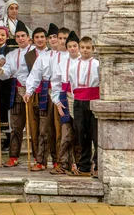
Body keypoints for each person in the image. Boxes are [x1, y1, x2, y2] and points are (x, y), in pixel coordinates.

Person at [24, 24, 61, 171]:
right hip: (46, 92)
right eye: (51, 37)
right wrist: (29, 91)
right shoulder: (43, 57)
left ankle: (59, 160)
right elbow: (34, 75)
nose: (53, 40)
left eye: (55, 37)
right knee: (44, 128)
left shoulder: (66, 56)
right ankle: (41, 160)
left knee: (59, 129)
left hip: (61, 93)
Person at [0, 20, 35, 167]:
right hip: (17, 91)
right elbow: (7, 72)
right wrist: (0, 71)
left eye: (23, 36)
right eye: (18, 36)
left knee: (36, 126)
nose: (20, 38)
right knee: (15, 126)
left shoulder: (35, 52)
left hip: (34, 92)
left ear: (28, 38)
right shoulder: (12, 54)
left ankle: (40, 159)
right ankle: (13, 156)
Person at [67, 36, 99, 177]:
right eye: (83, 48)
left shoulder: (97, 65)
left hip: (93, 100)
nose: (85, 50)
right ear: (79, 49)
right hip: (79, 100)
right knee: (81, 132)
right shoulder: (73, 65)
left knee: (96, 133)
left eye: (88, 48)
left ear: (93, 49)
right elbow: (73, 83)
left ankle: (98, 165)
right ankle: (84, 165)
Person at [51, 30, 80, 175]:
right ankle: (63, 163)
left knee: (80, 133)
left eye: (75, 46)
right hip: (65, 98)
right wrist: (57, 101)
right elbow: (55, 84)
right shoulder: (61, 63)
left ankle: (79, 164)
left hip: (81, 99)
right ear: (67, 48)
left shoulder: (86, 62)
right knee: (66, 133)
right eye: (70, 46)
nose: (73, 48)